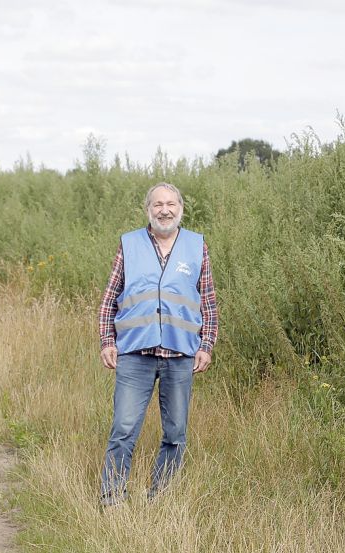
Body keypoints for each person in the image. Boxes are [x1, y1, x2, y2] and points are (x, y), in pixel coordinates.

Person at [97, 182, 218, 506]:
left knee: (176, 434)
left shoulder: (197, 246)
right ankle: (112, 499)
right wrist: (107, 341)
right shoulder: (129, 244)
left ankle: (160, 497)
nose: (164, 210)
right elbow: (109, 299)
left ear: (181, 208)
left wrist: (206, 345)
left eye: (171, 204)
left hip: (181, 356)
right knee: (123, 429)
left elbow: (208, 302)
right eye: (158, 204)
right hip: (135, 354)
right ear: (148, 209)